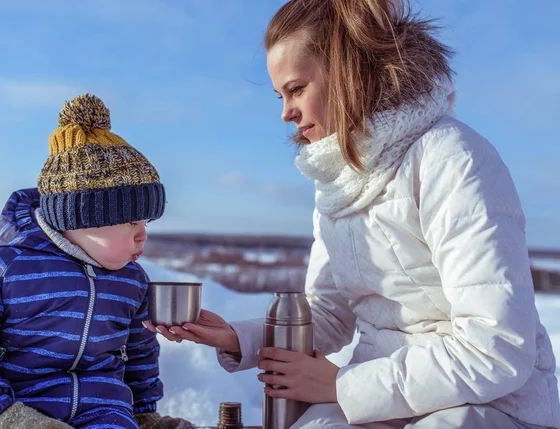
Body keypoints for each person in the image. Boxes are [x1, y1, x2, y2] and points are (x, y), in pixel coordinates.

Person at [144, 1, 560, 428]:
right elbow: (330, 313)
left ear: (345, 72)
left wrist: (343, 386)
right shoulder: (339, 178)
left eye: (296, 89)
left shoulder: (452, 159)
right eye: (280, 95)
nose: (285, 113)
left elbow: (497, 348)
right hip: (382, 398)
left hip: (488, 406)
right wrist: (238, 337)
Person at [0, 94, 194, 429]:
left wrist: (143, 414)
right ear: (82, 219)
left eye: (146, 224)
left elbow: (139, 354)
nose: (143, 236)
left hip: (103, 413)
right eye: (132, 223)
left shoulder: (131, 281)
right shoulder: (2, 271)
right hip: (15, 411)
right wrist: (1, 416)